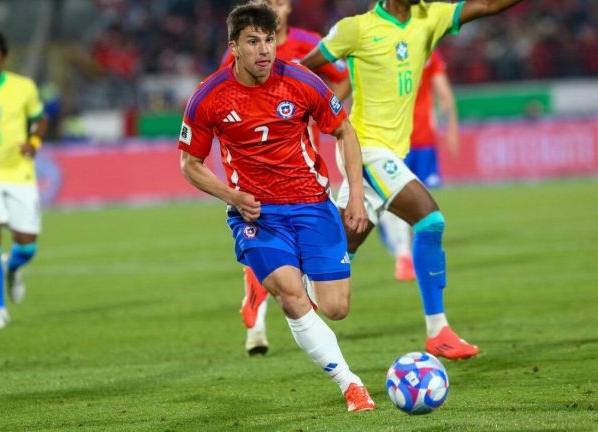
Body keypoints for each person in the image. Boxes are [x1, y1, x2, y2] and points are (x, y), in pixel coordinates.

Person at [178, 2, 374, 412]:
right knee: (290, 295)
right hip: (257, 214)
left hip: (312, 205)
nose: (264, 50)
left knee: (336, 308)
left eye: (268, 40)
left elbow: (345, 131)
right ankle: (351, 384)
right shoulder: (208, 97)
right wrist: (231, 196)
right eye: (253, 41)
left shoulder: (301, 81)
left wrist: (355, 195)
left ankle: (274, 278)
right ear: (234, 47)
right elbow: (189, 164)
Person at [301, 0, 525, 360]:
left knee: (341, 247)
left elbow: (484, 5)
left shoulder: (429, 17)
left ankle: (290, 278)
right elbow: (302, 68)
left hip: (393, 151)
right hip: (365, 147)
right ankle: (438, 331)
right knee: (430, 221)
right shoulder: (356, 29)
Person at [221, 0, 351, 357]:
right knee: (270, 253)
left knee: (332, 301)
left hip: (302, 172)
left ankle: (275, 298)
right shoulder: (239, 57)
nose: (273, 7)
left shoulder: (308, 43)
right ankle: (258, 321)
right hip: (258, 185)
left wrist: (313, 116)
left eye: (278, 1)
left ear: (289, 7)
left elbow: (343, 79)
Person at [0, 30, 48, 330]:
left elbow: (41, 119)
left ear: (3, 56)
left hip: (19, 172)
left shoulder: (23, 87)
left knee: (27, 245)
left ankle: (13, 269)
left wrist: (33, 143)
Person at [377, 49, 458, 281]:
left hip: (394, 136)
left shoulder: (385, 46)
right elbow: (444, 94)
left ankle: (403, 252)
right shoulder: (427, 48)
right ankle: (405, 253)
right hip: (418, 138)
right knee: (416, 199)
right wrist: (451, 126)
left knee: (394, 196)